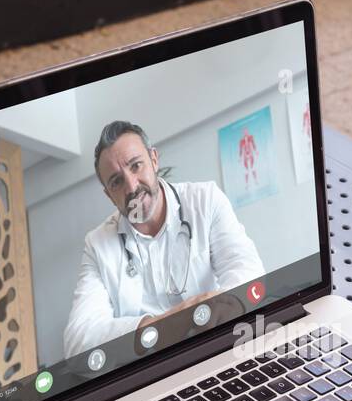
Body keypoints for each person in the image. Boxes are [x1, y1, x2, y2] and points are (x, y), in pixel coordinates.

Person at [62, 120, 264, 359]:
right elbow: (77, 342)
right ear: (109, 194)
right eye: (116, 181)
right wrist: (161, 326)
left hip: (219, 348)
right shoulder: (98, 245)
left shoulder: (205, 201)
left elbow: (249, 271)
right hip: (152, 371)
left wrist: (227, 302)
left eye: (136, 166)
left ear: (154, 160)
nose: (132, 187)